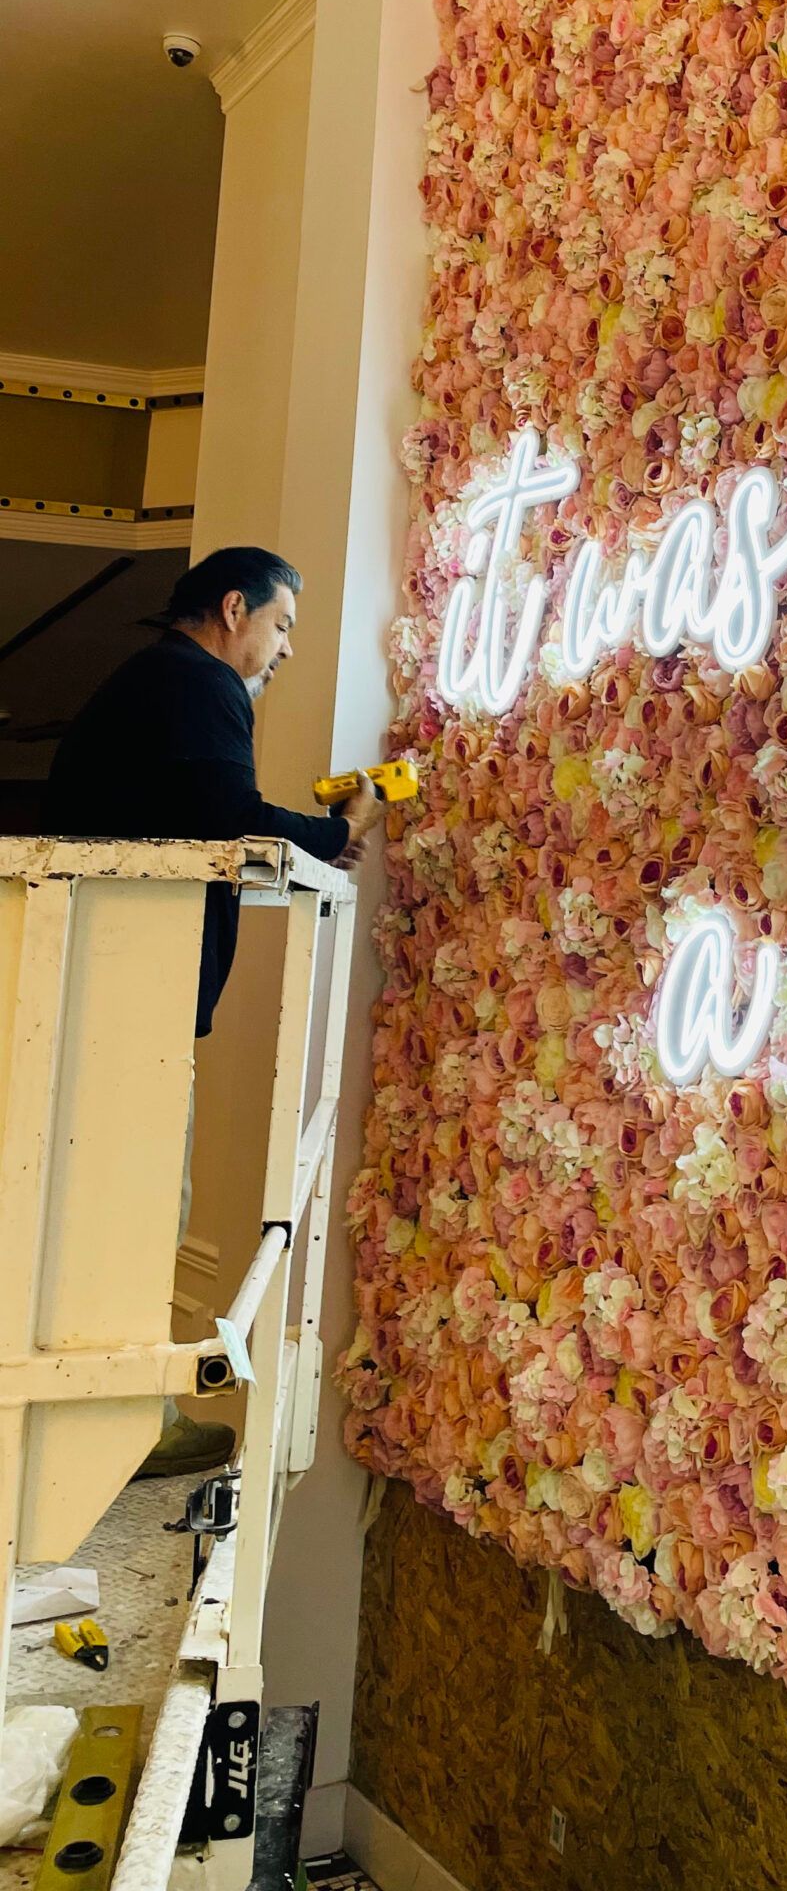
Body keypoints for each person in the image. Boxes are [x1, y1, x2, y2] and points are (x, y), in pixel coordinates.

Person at [44, 546, 381, 1476]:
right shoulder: (198, 683)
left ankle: (109, 1415)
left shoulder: (160, 680)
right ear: (234, 609)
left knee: (116, 1192)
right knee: (144, 1198)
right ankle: (125, 1422)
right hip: (130, 984)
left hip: (107, 975)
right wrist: (339, 832)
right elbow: (228, 814)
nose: (283, 651)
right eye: (280, 627)